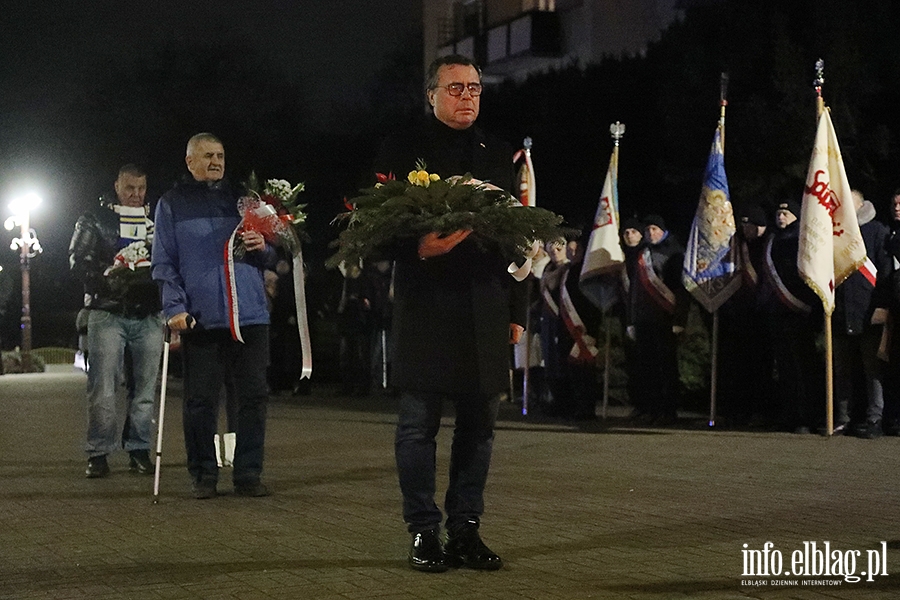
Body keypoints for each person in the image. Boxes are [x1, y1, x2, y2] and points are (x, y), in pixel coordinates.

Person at [373, 54, 526, 573]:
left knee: (480, 427)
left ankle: (466, 530)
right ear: (431, 95)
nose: (467, 97)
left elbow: (517, 237)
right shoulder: (401, 149)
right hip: (426, 304)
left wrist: (518, 309)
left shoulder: (498, 152)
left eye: (475, 89)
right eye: (456, 88)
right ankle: (423, 531)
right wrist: (417, 248)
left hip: (484, 304)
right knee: (418, 426)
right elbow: (372, 227)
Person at [151, 133, 276, 499]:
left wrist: (264, 247)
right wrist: (174, 307)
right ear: (189, 162)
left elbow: (273, 257)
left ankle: (248, 474)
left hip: (250, 314)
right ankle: (204, 474)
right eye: (206, 156)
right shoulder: (172, 203)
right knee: (201, 400)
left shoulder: (245, 200)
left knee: (253, 397)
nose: (215, 161)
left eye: (220, 155)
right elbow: (164, 261)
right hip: (202, 318)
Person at [68, 164, 163, 478]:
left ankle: (138, 449)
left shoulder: (156, 220)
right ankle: (99, 452)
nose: (135, 195)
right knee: (103, 388)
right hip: (108, 312)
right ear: (117, 187)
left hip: (147, 313)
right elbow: (78, 260)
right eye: (129, 189)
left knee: (145, 389)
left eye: (141, 189)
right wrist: (109, 280)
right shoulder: (95, 219)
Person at [757, 200, 822, 433]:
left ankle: (807, 416)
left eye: (785, 213)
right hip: (777, 312)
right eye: (778, 213)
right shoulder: (773, 240)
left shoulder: (802, 238)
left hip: (799, 311)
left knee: (803, 367)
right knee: (784, 367)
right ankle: (789, 413)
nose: (781, 217)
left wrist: (807, 305)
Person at [832, 191, 890, 437]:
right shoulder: (835, 233)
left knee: (872, 369)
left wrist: (883, 306)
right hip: (841, 312)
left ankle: (874, 418)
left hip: (868, 311)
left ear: (861, 205)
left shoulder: (877, 231)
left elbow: (884, 272)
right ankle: (844, 418)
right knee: (842, 369)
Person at [716, 204, 776, 427]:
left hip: (763, 313)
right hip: (739, 314)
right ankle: (738, 411)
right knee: (738, 366)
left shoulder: (769, 244)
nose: (745, 228)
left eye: (749, 224)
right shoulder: (737, 246)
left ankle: (762, 411)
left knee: (762, 366)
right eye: (743, 224)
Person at [627, 214, 690, 425]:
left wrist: (680, 320)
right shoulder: (641, 253)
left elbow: (681, 290)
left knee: (667, 367)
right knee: (648, 367)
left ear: (663, 230)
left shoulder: (676, 253)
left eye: (655, 229)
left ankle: (669, 410)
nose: (651, 233)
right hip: (644, 318)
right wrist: (631, 320)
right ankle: (652, 409)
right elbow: (634, 289)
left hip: (666, 318)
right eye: (648, 230)